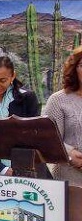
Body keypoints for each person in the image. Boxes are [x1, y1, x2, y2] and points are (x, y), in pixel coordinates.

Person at [41, 46, 82, 184]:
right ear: (74, 68)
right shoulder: (58, 100)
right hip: (70, 181)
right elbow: (46, 139)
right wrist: (70, 154)